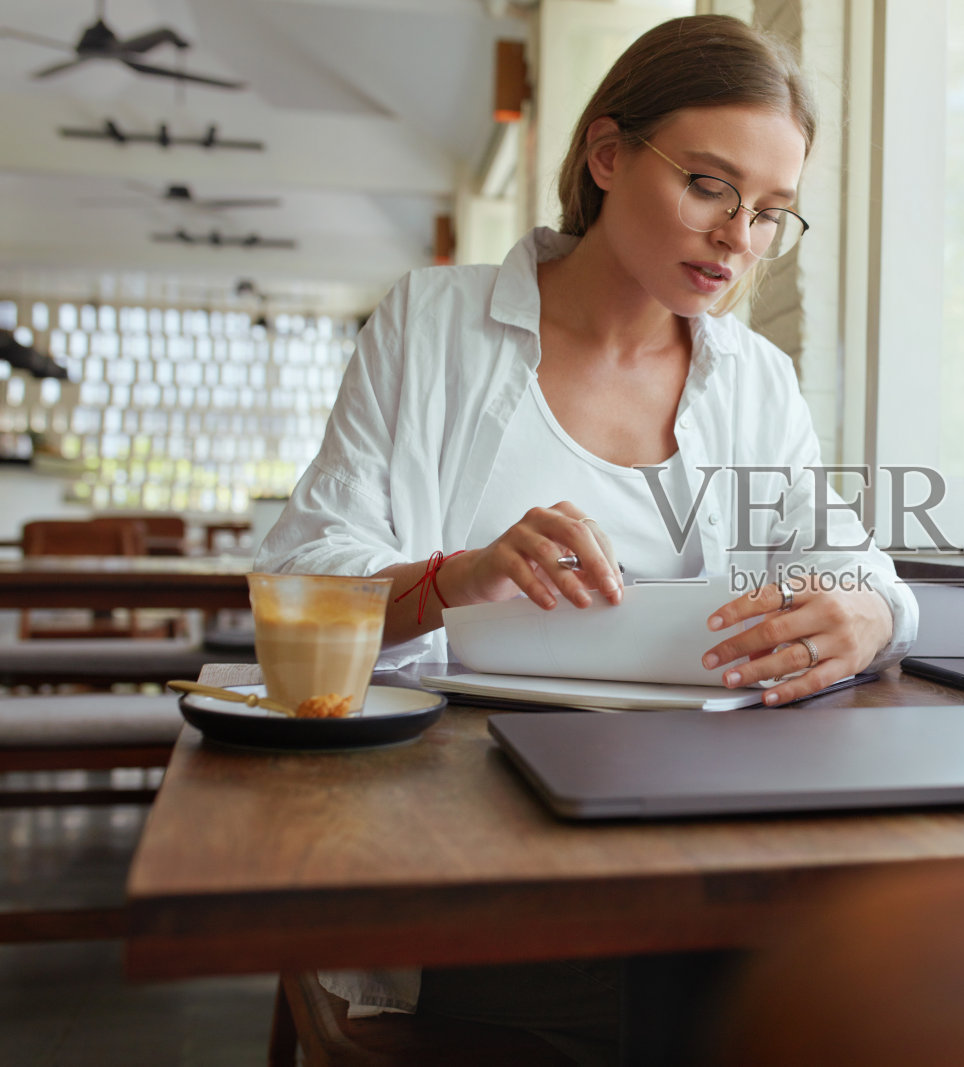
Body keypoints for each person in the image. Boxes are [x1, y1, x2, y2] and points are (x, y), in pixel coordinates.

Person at [256, 13, 918, 1065]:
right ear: (607, 155)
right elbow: (296, 585)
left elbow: (857, 567)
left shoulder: (754, 379)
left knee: (880, 962)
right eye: (709, 185)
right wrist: (455, 575)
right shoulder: (433, 326)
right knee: (761, 993)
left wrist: (869, 612)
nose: (737, 240)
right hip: (476, 838)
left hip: (704, 824)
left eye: (770, 213)